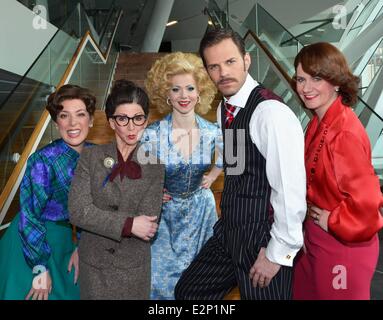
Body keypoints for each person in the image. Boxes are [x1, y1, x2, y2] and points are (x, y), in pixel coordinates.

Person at [175, 28, 307, 300]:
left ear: (246, 60)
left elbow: (290, 189)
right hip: (231, 232)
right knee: (188, 292)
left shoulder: (270, 112)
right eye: (214, 66)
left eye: (230, 62)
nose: (222, 72)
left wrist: (277, 252)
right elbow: (237, 168)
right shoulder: (226, 108)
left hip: (263, 240)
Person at [291, 42, 383, 300]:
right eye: (300, 79)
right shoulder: (317, 122)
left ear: (336, 82)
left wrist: (331, 221)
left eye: (316, 78)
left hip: (342, 246)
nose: (305, 88)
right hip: (316, 241)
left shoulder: (343, 133)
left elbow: (366, 207)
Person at [68, 80, 165, 300]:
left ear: (146, 121)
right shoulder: (90, 157)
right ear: (112, 122)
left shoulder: (155, 165)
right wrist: (129, 224)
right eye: (123, 119)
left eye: (138, 118)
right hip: (93, 266)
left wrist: (98, 215)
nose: (131, 127)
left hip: (132, 268)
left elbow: (148, 225)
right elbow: (77, 211)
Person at [0, 84, 96, 300]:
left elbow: (98, 207)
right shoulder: (43, 160)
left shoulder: (97, 155)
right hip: (32, 240)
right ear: (56, 123)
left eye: (80, 114)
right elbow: (30, 215)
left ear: (90, 120)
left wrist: (83, 245)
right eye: (64, 116)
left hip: (66, 238)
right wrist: (39, 268)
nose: (73, 123)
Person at [143, 52, 223, 300]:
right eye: (176, 89)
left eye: (190, 88)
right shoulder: (152, 134)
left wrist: (213, 175)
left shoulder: (213, 131)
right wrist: (154, 191)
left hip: (202, 213)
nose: (184, 95)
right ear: (166, 94)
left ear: (200, 91)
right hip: (165, 218)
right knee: (160, 283)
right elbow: (140, 176)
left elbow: (231, 158)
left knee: (201, 283)